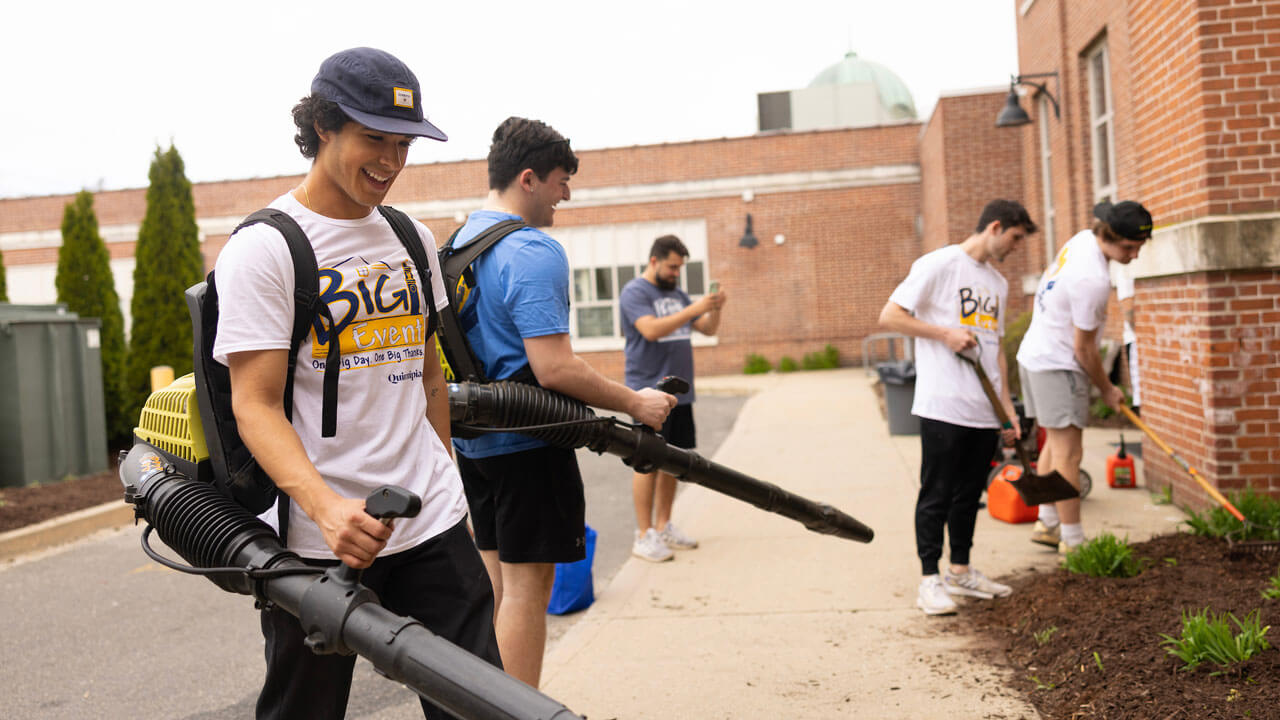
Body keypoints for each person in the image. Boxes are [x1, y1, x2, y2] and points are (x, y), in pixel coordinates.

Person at [211, 48, 500, 719]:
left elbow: (429, 371)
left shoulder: (410, 238)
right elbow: (252, 404)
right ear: (323, 127)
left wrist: (444, 474)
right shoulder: (265, 249)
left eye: (403, 144)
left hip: (430, 523)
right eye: (374, 138)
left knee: (480, 704)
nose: (391, 162)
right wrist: (325, 509)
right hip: (321, 544)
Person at [448, 116, 677, 687]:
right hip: (531, 444)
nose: (566, 195)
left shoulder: (450, 249)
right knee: (528, 592)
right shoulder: (532, 250)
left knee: (495, 586)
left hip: (474, 447)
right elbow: (554, 368)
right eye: (561, 181)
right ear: (529, 179)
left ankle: (480, 703)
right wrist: (635, 403)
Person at [879, 199, 1034, 616]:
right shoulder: (940, 264)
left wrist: (1007, 410)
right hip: (943, 404)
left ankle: (960, 572)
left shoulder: (997, 284)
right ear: (995, 227)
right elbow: (890, 316)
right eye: (1016, 238)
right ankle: (929, 580)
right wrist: (944, 334)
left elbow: (996, 350)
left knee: (968, 497)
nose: (1018, 247)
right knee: (937, 494)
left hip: (983, 408)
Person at [1017, 200, 1151, 553]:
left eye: (1140, 247)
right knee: (1069, 456)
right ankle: (1074, 543)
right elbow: (1085, 350)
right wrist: (1107, 389)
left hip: (1035, 356)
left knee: (1055, 446)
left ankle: (1047, 523)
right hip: (1058, 365)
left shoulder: (1080, 240)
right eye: (1128, 246)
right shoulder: (1092, 279)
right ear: (1108, 234)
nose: (1134, 254)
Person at [619, 234, 726, 562]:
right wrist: (695, 307)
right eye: (672, 266)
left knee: (673, 461)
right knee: (646, 462)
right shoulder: (634, 292)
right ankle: (644, 534)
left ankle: (664, 525)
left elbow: (707, 329)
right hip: (647, 394)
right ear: (654, 261)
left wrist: (715, 308)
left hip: (681, 394)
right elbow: (651, 330)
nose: (676, 273)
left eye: (680, 267)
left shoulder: (678, 293)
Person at [1110, 263, 1141, 413]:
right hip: (1135, 341)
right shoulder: (1125, 269)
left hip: (1141, 341)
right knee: (1142, 401)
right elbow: (1128, 311)